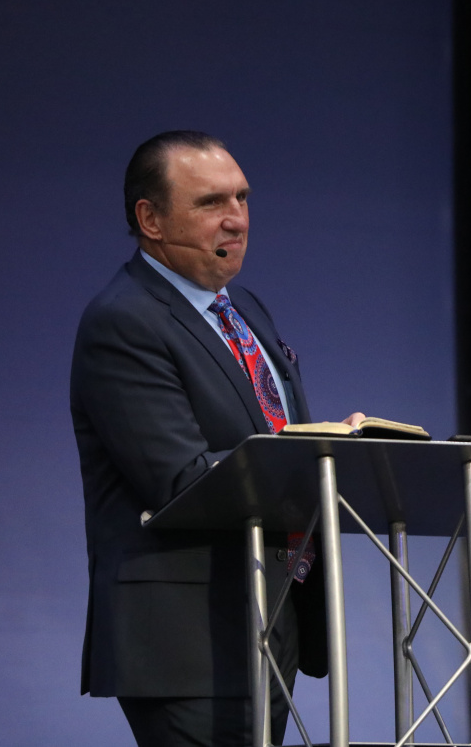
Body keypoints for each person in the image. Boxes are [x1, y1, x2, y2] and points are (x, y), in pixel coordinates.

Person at [71, 131, 362, 747]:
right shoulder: (124, 320)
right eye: (210, 203)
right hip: (187, 638)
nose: (237, 219)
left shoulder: (244, 307)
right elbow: (179, 480)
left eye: (242, 198)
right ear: (150, 219)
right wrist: (313, 455)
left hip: (270, 615)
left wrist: (340, 448)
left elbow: (266, 433)